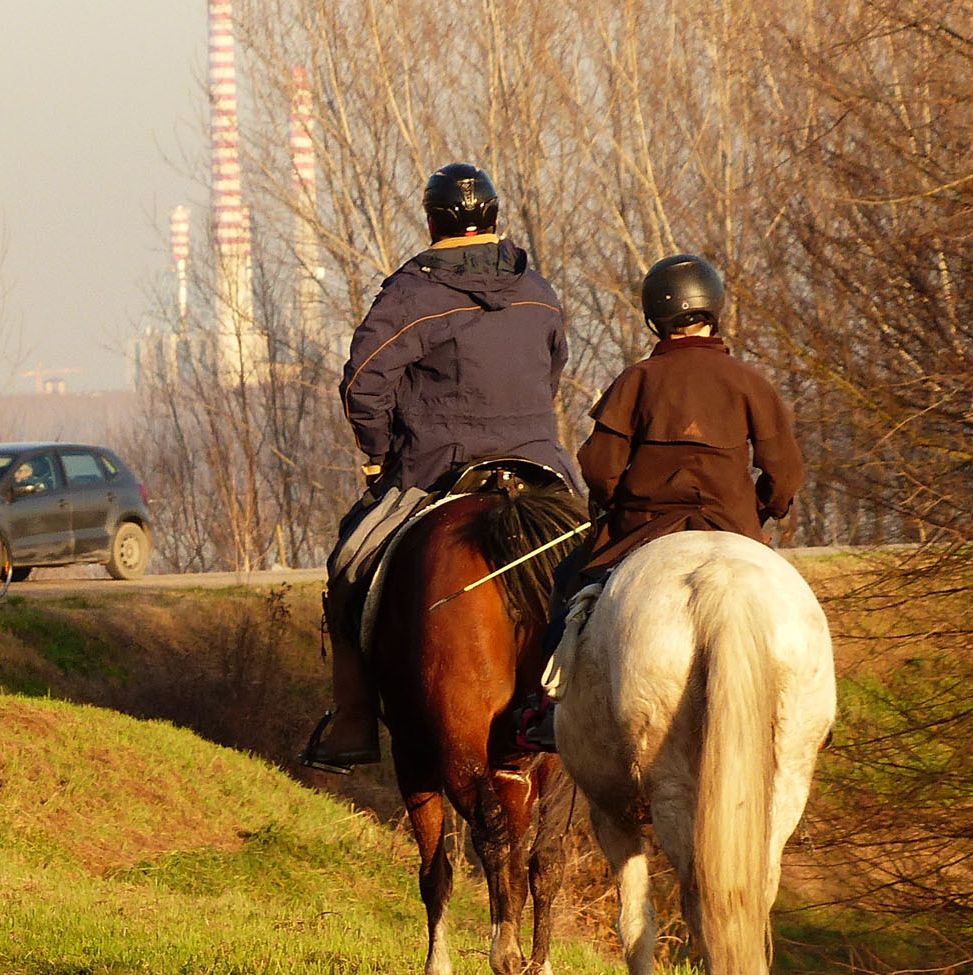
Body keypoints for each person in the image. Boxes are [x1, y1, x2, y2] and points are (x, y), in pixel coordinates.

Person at [299, 162, 577, 773]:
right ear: (495, 216)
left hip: (435, 469)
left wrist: (378, 457)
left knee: (347, 569)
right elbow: (551, 374)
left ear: (431, 219)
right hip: (541, 466)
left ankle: (352, 724)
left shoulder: (410, 296)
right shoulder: (540, 291)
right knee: (602, 572)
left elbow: (363, 386)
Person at [516, 253, 805, 750]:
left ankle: (547, 709)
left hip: (645, 529)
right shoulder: (750, 381)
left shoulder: (637, 380)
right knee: (789, 604)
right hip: (731, 526)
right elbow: (785, 474)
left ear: (654, 318)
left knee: (568, 583)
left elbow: (600, 466)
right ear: (713, 308)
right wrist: (761, 511)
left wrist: (610, 502)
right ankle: (804, 712)